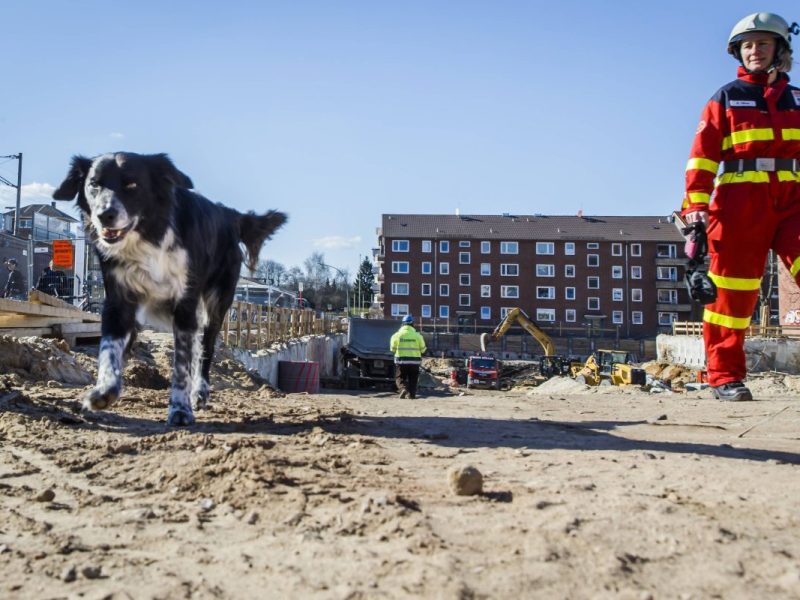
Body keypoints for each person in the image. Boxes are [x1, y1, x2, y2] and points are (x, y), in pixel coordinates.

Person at [682, 12, 800, 401]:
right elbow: (701, 159)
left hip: (794, 200)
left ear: (780, 49)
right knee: (731, 296)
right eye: (748, 45)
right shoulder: (727, 97)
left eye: (763, 43)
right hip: (739, 205)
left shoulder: (798, 100)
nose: (754, 50)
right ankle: (725, 378)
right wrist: (695, 208)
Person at [389, 314, 427, 399]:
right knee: (413, 379)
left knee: (400, 377)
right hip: (415, 362)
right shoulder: (418, 336)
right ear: (412, 324)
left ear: (402, 324)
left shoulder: (396, 335)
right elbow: (423, 349)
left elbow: (392, 349)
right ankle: (412, 395)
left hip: (401, 361)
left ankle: (403, 388)